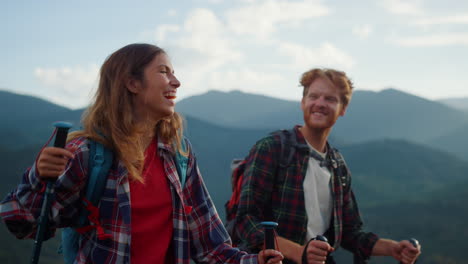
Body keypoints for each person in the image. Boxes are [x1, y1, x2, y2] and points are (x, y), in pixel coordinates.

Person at [0, 43, 283, 264]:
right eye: (163, 71)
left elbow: (210, 246)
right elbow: (21, 223)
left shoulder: (179, 154)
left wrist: (252, 260)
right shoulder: (87, 153)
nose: (176, 82)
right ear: (132, 83)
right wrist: (38, 177)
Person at [229, 68, 421, 264]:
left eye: (330, 99)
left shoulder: (338, 167)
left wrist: (393, 248)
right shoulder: (272, 149)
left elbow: (349, 232)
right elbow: (245, 221)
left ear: (343, 109)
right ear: (303, 102)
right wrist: (299, 252)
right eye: (314, 96)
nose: (320, 103)